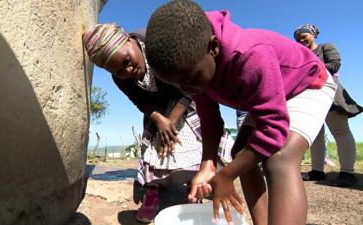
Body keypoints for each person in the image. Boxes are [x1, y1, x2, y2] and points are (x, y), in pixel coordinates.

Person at [144, 1, 336, 225]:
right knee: (241, 155)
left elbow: (273, 129)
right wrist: (208, 165)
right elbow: (210, 121)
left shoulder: (250, 55)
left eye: (189, 81)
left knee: (280, 158)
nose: (187, 90)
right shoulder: (194, 72)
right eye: (179, 86)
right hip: (274, 92)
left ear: (213, 47)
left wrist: (226, 175)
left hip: (308, 84)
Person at [82, 23, 233, 223]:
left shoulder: (160, 47)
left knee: (192, 144)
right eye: (118, 71)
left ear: (128, 39)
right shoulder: (120, 78)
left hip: (186, 100)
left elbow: (188, 87)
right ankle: (151, 193)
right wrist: (159, 119)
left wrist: (171, 121)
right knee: (155, 151)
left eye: (127, 60)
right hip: (156, 111)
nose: (128, 70)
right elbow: (139, 101)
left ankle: (193, 191)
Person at [294, 24, 362, 187]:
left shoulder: (326, 47)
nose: (301, 39)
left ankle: (347, 172)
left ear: (313, 33)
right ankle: (317, 170)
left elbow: (334, 64)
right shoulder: (299, 55)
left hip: (330, 94)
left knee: (340, 131)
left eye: (303, 35)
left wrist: (305, 70)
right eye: (297, 38)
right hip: (309, 98)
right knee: (315, 136)